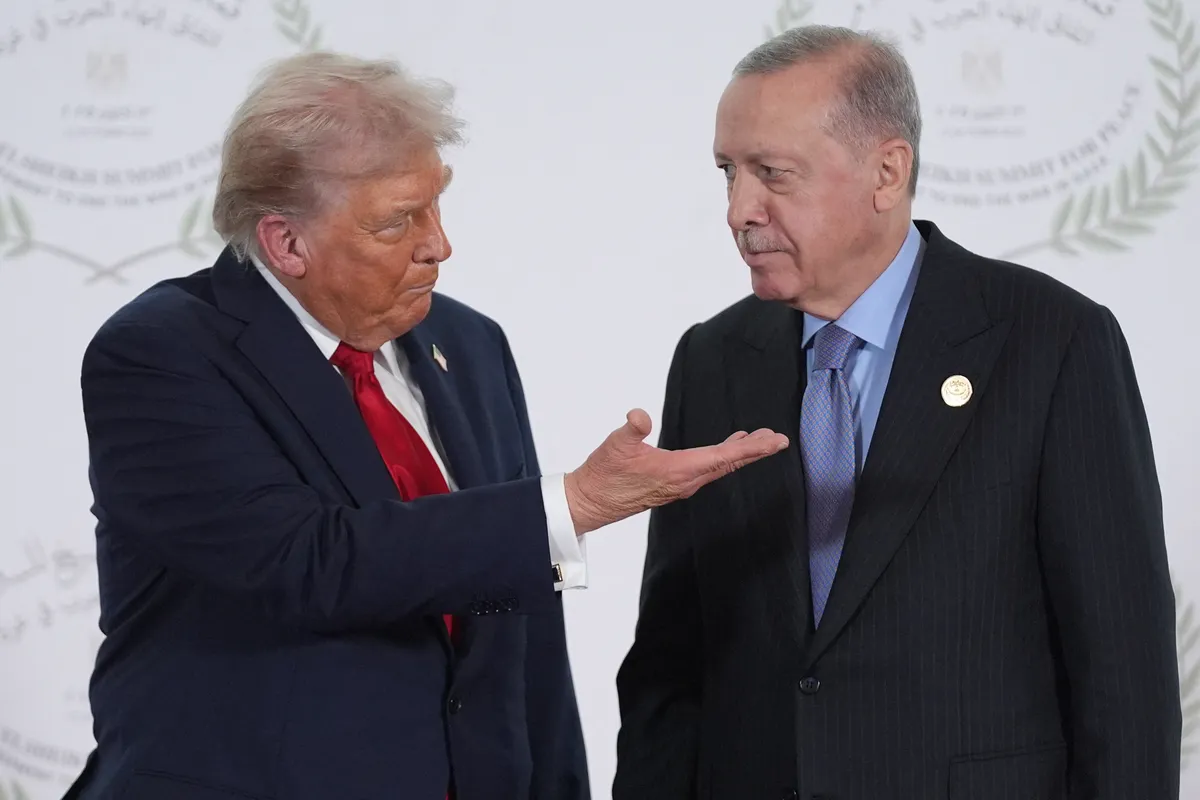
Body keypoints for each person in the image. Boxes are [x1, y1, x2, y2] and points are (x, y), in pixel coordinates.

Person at [65, 51, 787, 800]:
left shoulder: (468, 344)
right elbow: (307, 563)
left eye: (436, 203)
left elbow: (523, 624)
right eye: (397, 221)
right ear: (286, 242)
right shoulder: (162, 353)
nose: (438, 244)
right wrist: (571, 504)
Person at [612, 24, 1181, 800]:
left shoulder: (1052, 341)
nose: (740, 209)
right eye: (728, 173)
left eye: (773, 174)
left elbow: (1123, 670)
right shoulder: (711, 359)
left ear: (887, 172)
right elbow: (671, 665)